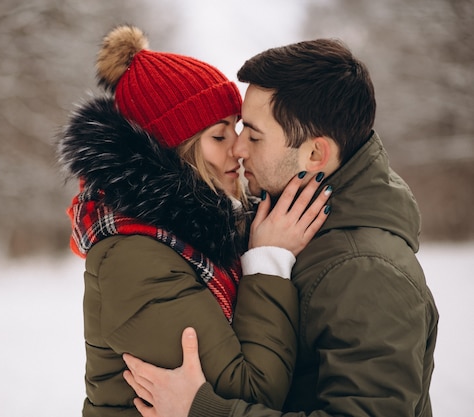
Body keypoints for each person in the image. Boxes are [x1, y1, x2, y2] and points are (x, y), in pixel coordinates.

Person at [123, 38, 439, 417]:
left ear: (315, 154)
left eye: (254, 135)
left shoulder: (367, 270)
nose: (238, 149)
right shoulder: (278, 223)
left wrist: (204, 411)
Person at [58, 26, 331, 417]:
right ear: (176, 150)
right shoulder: (135, 256)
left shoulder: (194, 234)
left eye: (237, 130)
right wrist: (268, 261)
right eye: (220, 136)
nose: (238, 149)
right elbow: (250, 392)